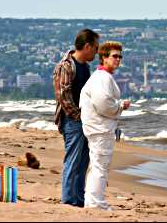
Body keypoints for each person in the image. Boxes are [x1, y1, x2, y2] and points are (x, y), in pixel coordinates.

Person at [79, 41, 131, 210]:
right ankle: (96, 203)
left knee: (97, 165)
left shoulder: (102, 77)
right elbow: (103, 104)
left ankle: (93, 200)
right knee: (100, 165)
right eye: (114, 56)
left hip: (98, 127)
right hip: (99, 128)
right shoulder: (102, 78)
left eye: (120, 56)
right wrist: (121, 106)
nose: (118, 59)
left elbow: (104, 103)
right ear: (104, 57)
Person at [52, 29, 99, 207]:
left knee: (83, 161)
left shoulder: (85, 66)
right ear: (87, 46)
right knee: (73, 160)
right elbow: (63, 97)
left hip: (84, 119)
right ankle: (69, 200)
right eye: (95, 47)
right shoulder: (66, 66)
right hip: (72, 120)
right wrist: (80, 117)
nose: (97, 51)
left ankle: (78, 199)